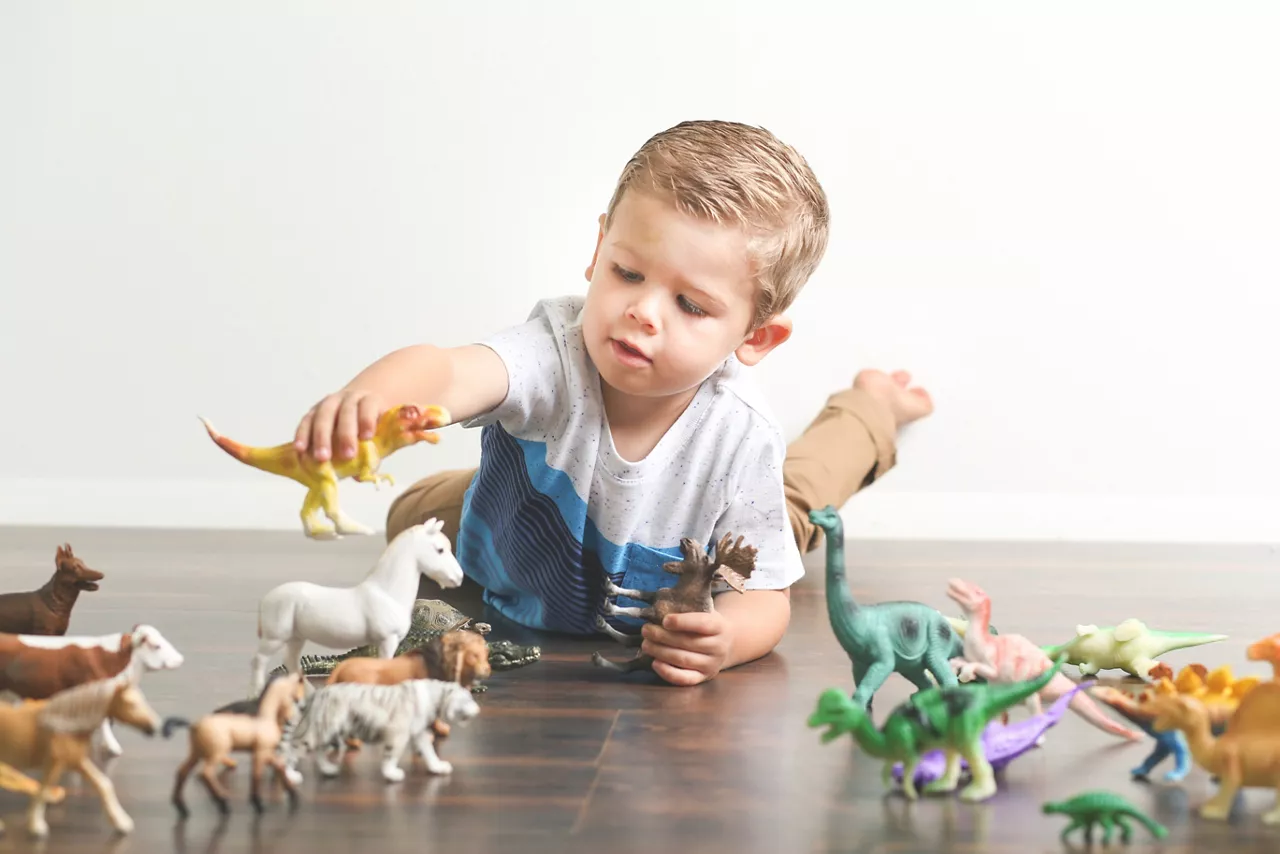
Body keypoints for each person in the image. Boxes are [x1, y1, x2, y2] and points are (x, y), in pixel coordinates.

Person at [292, 120, 933, 686]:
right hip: (512, 513)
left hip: (698, 531)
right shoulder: (553, 351)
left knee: (799, 502)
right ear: (600, 250)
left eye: (690, 305)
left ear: (756, 336)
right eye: (628, 272)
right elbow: (446, 371)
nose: (642, 311)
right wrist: (369, 397)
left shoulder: (740, 440)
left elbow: (767, 602)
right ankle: (480, 484)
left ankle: (871, 404)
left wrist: (728, 640)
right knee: (409, 519)